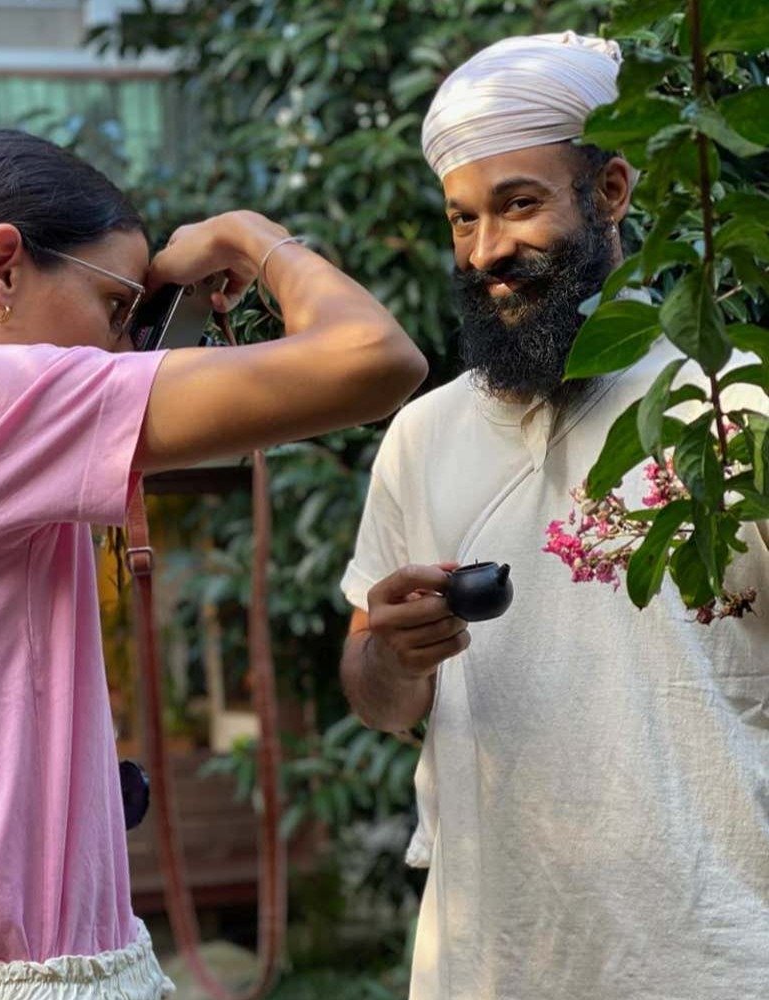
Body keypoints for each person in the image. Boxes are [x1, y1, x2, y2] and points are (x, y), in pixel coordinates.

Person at [0, 128, 427, 1000]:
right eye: (119, 308)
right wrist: (246, 236)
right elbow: (376, 361)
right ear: (2, 269)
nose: (122, 352)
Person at [339, 32, 769, 1000]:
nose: (487, 250)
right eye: (460, 220)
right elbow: (377, 697)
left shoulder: (735, 405)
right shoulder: (420, 434)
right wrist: (393, 654)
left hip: (721, 952)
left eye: (519, 203)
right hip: (492, 958)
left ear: (612, 192)